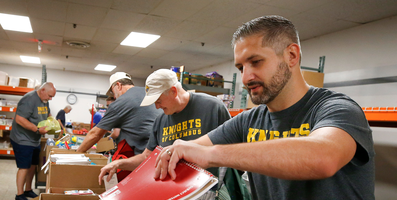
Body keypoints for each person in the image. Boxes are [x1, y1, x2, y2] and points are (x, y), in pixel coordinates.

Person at [154, 15, 375, 200]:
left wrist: (212, 154)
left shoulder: (337, 108)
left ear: (291, 55)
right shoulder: (248, 120)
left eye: (256, 62)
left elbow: (323, 158)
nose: (246, 77)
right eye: (241, 67)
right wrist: (176, 149)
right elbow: (191, 148)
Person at [98, 69, 231, 198]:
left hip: (205, 191)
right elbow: (147, 157)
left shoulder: (213, 107)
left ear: (173, 91)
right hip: (172, 191)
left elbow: (234, 147)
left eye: (158, 101)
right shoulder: (161, 120)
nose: (156, 107)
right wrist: (119, 164)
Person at [76, 72, 162, 154]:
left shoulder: (121, 102)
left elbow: (95, 134)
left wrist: (77, 154)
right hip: (163, 149)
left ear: (118, 85)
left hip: (143, 154)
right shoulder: (148, 93)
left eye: (113, 92)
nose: (114, 96)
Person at [10, 82, 56, 200]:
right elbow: (19, 119)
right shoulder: (29, 99)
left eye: (52, 97)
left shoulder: (45, 101)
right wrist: (36, 129)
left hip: (35, 139)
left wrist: (53, 123)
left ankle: (28, 190)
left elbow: (48, 113)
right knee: (24, 167)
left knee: (32, 166)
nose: (50, 99)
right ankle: (19, 194)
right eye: (50, 96)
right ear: (42, 91)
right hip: (22, 139)